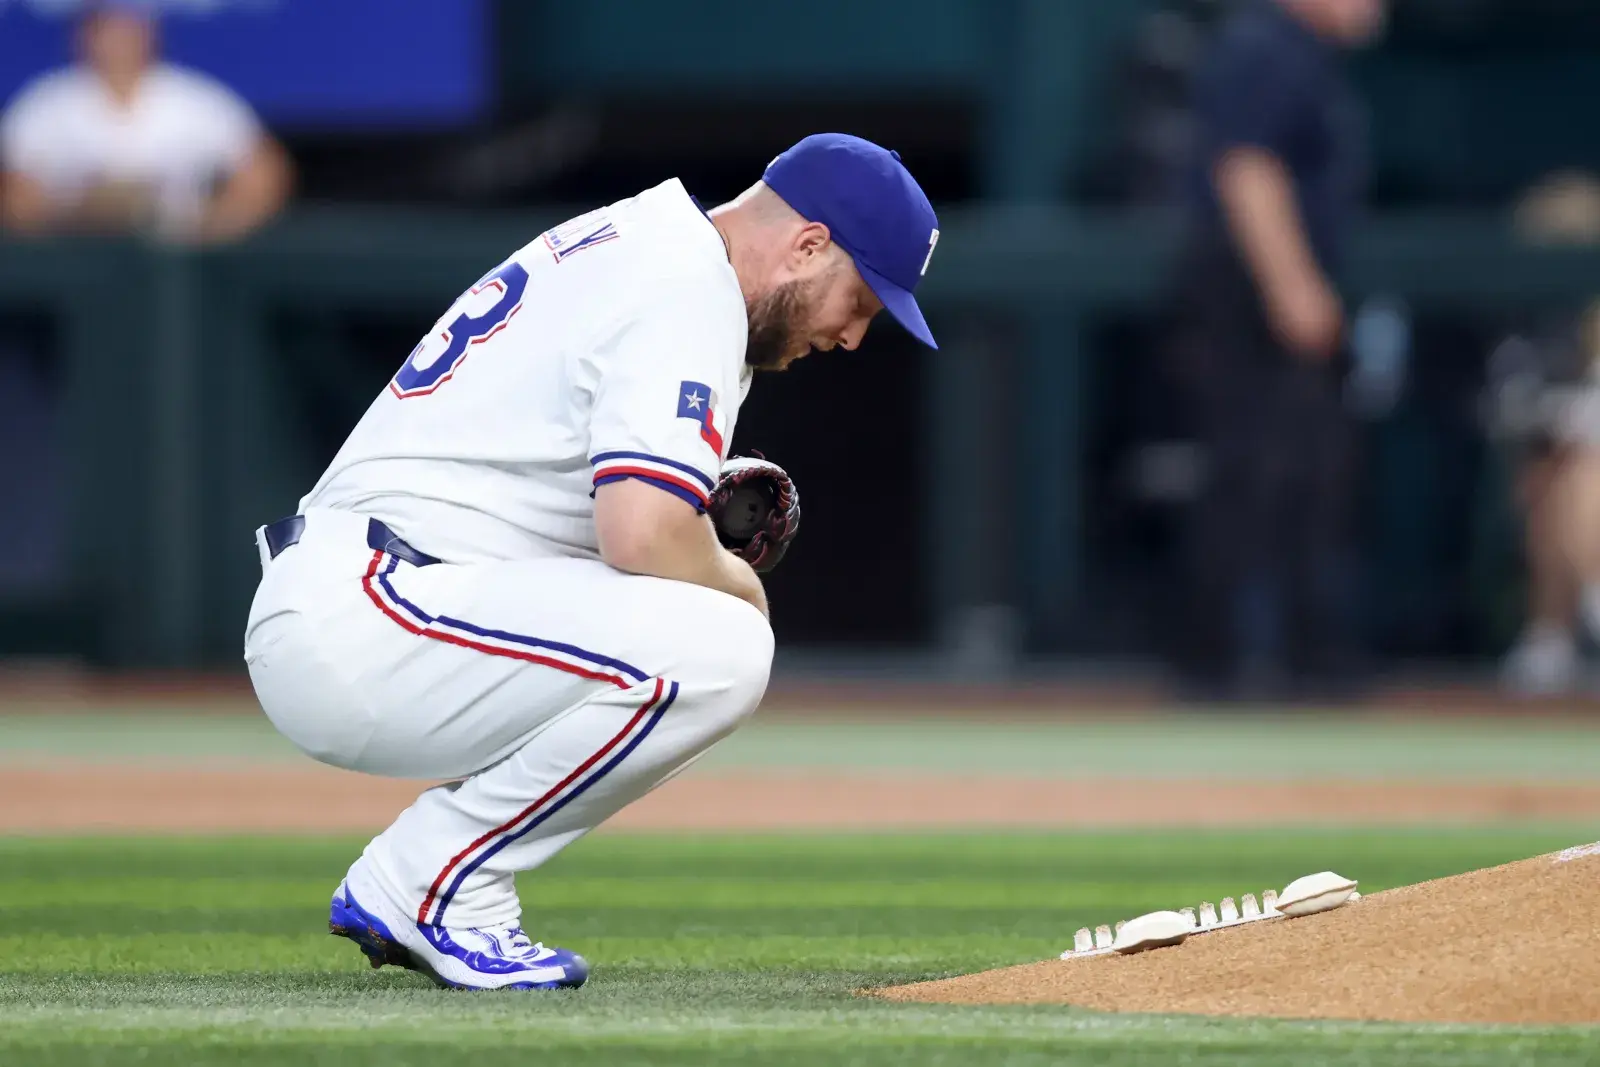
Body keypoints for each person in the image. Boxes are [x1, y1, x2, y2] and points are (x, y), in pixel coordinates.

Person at [243, 133, 940, 990]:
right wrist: (739, 584)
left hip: (384, 590)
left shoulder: (651, 244)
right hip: (372, 610)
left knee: (695, 625)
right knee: (723, 645)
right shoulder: (687, 286)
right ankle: (431, 883)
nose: (855, 335)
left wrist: (693, 517)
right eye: (861, 298)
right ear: (808, 244)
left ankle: (427, 879)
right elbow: (642, 533)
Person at [1166, 0, 1383, 699]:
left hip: (1268, 287)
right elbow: (1247, 170)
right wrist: (1292, 284)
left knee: (1303, 472)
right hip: (1250, 290)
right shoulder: (1265, 46)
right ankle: (1221, 661)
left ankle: (1294, 656)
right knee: (1256, 470)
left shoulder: (1301, 54)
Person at [0, 0, 292, 242]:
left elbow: (264, 173)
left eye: (127, 30)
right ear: (84, 36)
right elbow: (15, 194)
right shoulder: (45, 104)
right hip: (76, 253)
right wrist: (72, 217)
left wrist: (212, 227)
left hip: (176, 254)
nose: (118, 41)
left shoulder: (195, 99)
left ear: (149, 34)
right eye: (107, 30)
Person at [1493, 172, 1600, 695]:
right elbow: (1513, 402)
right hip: (1558, 468)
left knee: (1583, 473)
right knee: (1552, 479)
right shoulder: (1533, 326)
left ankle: (1558, 628)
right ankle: (1556, 632)